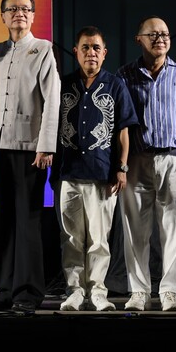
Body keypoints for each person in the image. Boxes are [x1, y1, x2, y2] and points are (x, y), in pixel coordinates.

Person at [0, 0, 60, 313]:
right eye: (12, 9)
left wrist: (46, 146)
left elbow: (52, 100)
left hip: (31, 149)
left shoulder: (43, 49)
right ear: (2, 16)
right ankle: (5, 290)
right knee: (5, 221)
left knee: (28, 221)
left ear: (33, 16)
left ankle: (29, 292)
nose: (19, 13)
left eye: (25, 9)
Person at [116, 15, 176, 312]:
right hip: (136, 160)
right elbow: (119, 124)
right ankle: (139, 291)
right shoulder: (124, 75)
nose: (160, 39)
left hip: (174, 160)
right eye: (153, 34)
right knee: (135, 231)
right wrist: (120, 164)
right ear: (138, 39)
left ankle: (169, 291)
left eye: (165, 34)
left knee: (174, 230)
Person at [55, 26, 138, 311]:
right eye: (85, 47)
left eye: (96, 48)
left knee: (99, 239)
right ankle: (75, 290)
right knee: (71, 238)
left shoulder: (115, 85)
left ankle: (98, 291)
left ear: (104, 53)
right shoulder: (64, 85)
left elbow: (123, 131)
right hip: (68, 173)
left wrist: (122, 167)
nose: (91, 52)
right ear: (76, 52)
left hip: (102, 175)